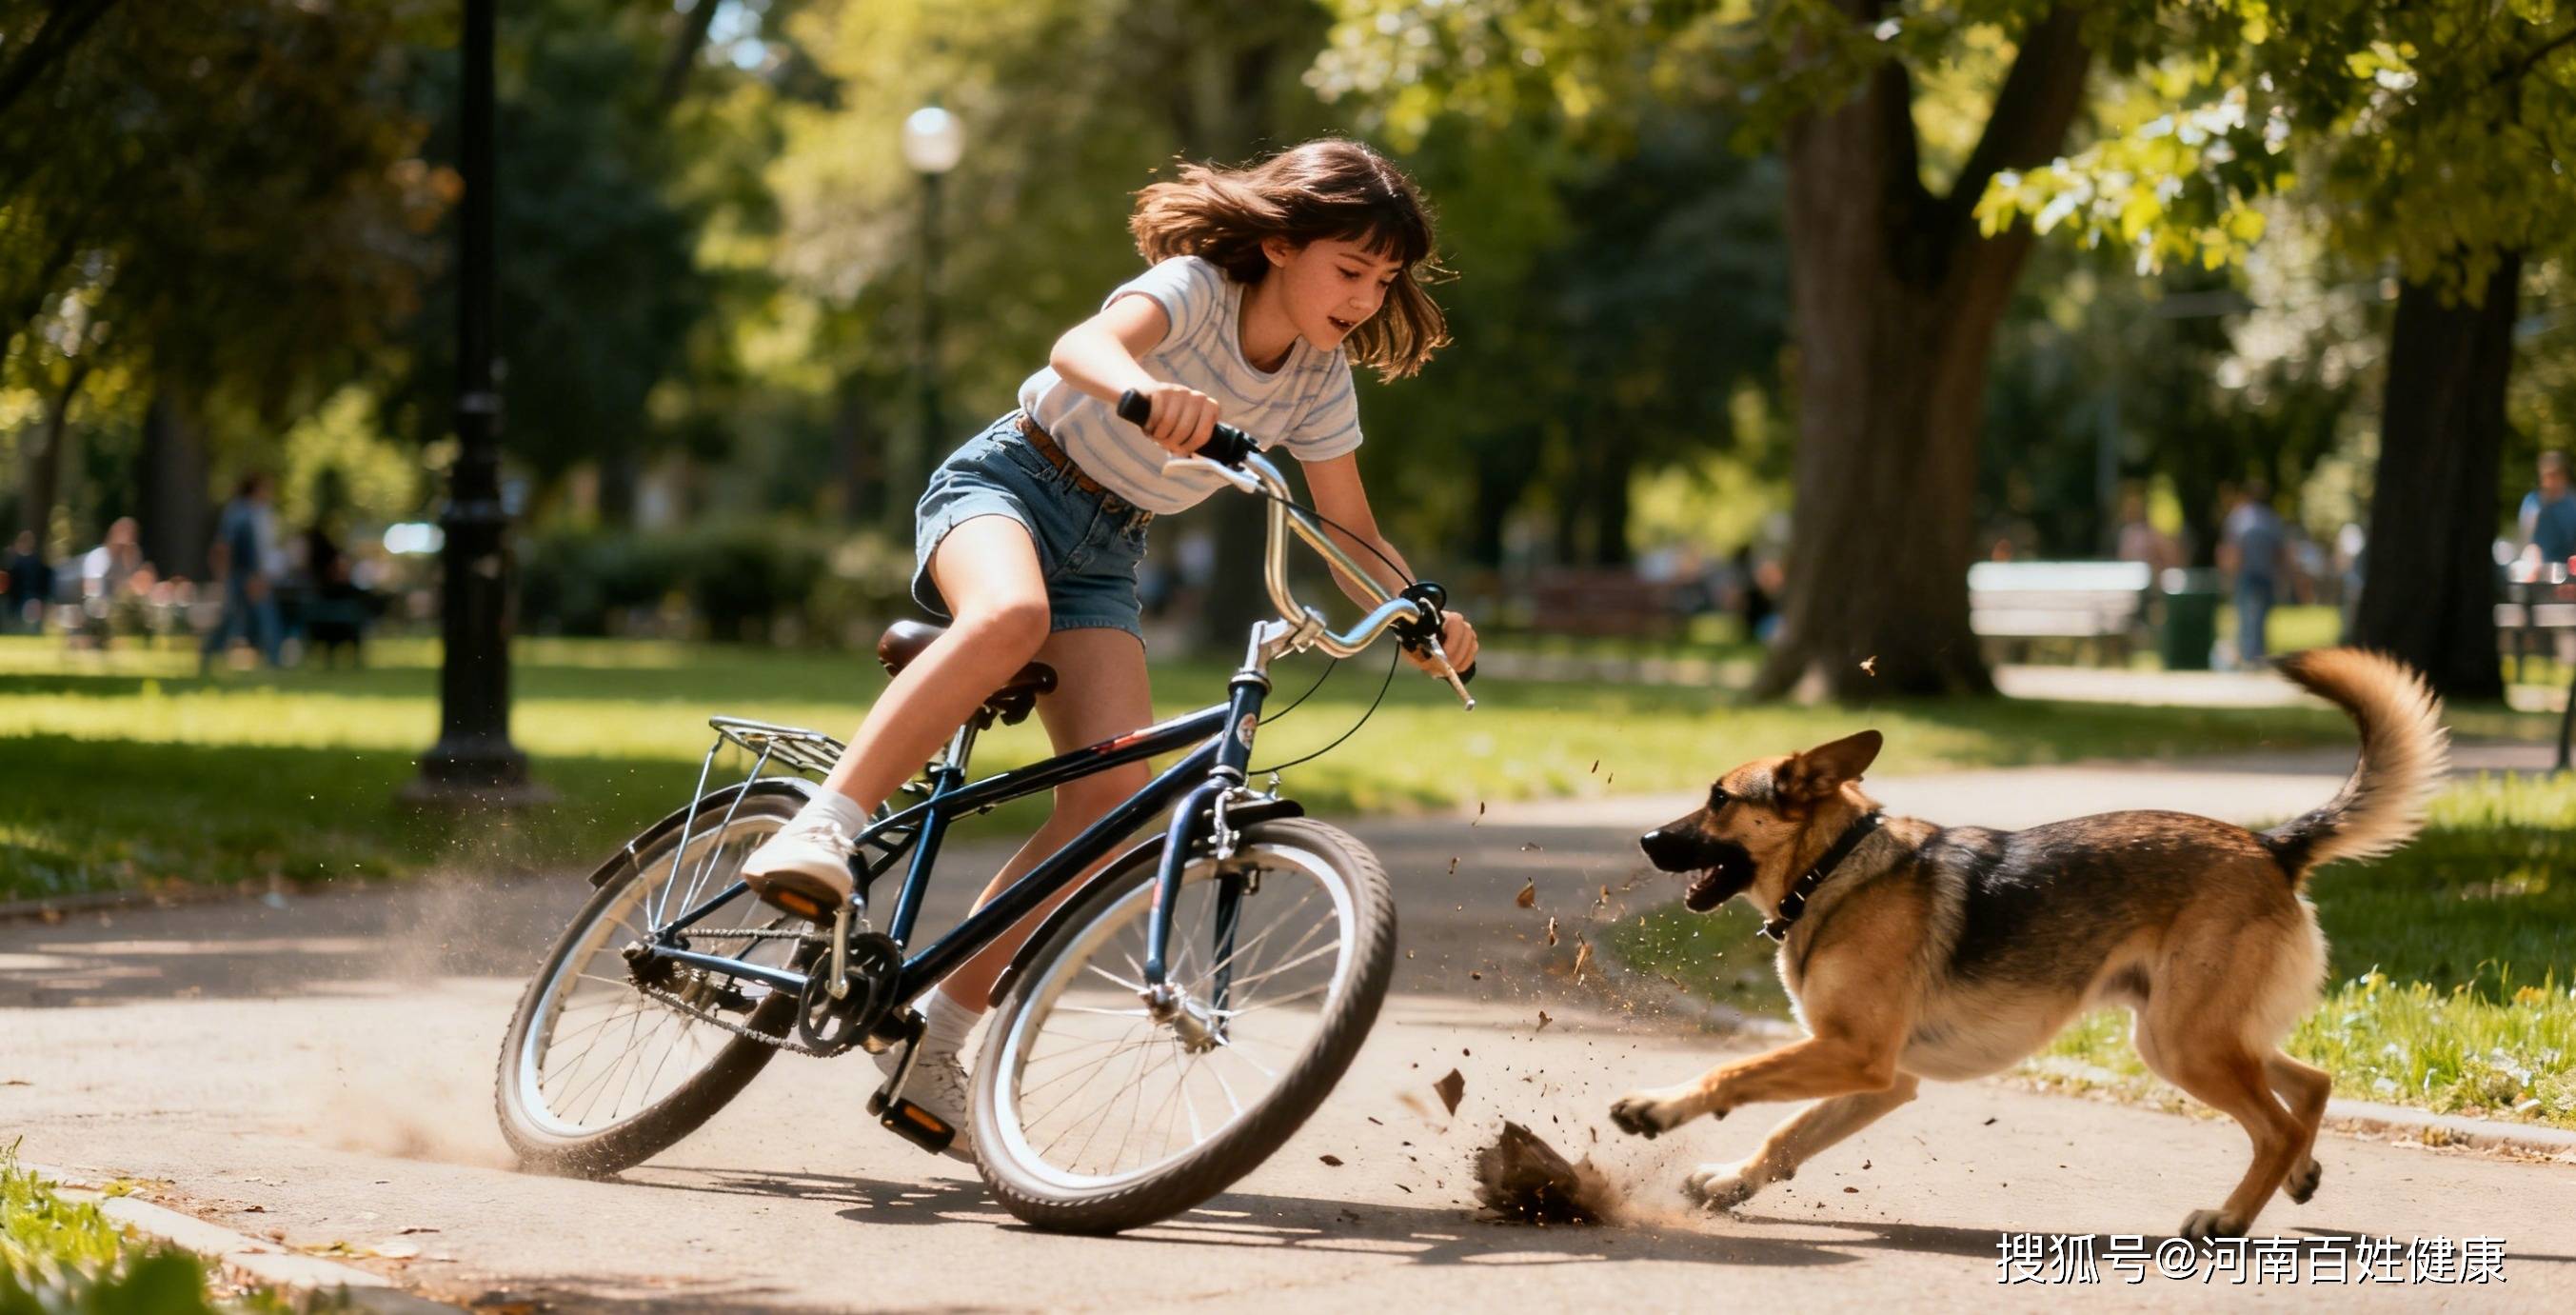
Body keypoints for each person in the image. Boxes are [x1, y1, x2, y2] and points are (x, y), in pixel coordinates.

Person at [735, 139, 1478, 1154]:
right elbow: (1079, 346)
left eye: (1384, 279)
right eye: (1350, 269)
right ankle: (822, 826)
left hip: (1106, 549)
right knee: (1007, 620)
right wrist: (1141, 388)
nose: (1365, 295)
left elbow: (1346, 526)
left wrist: (1417, 613)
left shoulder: (1318, 375)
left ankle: (940, 1034)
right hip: (1009, 484)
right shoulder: (1197, 290)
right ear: (1278, 244)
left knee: (1113, 800)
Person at [200, 474, 284, 671]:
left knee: (242, 616)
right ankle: (274, 659)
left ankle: (208, 653)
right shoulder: (239, 513)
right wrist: (226, 576)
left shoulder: (261, 513)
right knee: (253, 616)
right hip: (244, 574)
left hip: (254, 575)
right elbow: (225, 547)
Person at [2219, 481, 2290, 667]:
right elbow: (2279, 552)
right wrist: (2282, 576)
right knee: (2260, 617)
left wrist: (2229, 575)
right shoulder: (2271, 519)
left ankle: (2249, 657)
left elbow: (2234, 549)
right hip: (2266, 574)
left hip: (2247, 574)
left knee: (2246, 616)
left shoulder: (2239, 517)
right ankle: (2256, 655)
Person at [2522, 450, 2576, 568]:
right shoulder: (2532, 502)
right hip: (2537, 569)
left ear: (2564, 476)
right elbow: (2525, 539)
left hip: (2567, 571)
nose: (2550, 481)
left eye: (2554, 475)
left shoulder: (2572, 504)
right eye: (2546, 476)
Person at [3, 531, 49, 632]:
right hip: (24, 596)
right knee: (24, 623)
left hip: (28, 596)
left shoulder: (23, 561)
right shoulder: (32, 560)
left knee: (28, 623)